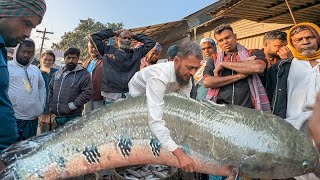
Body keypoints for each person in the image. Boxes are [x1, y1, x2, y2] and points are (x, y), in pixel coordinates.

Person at [128, 41, 203, 173]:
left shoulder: (186, 77)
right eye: (190, 67)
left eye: (196, 69)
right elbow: (155, 122)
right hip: (138, 93)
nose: (193, 73)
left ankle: (163, 149)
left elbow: (184, 108)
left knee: (168, 119)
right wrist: (180, 155)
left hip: (164, 90)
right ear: (176, 61)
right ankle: (143, 157)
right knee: (146, 124)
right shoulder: (158, 76)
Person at [266, 22, 320, 180]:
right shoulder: (283, 67)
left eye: (310, 37)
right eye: (299, 39)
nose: (305, 41)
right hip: (293, 131)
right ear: (292, 43)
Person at [203, 24, 269, 112]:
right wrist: (239, 76)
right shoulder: (214, 59)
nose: (225, 42)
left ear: (235, 36)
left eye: (227, 38)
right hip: (222, 111)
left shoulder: (253, 52)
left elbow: (258, 67)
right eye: (221, 40)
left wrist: (223, 64)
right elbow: (207, 82)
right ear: (218, 43)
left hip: (249, 110)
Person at [91, 29, 156, 105]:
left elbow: (151, 42)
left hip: (130, 94)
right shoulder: (107, 50)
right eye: (124, 38)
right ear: (117, 40)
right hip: (112, 95)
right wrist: (113, 33)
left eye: (129, 38)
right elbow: (94, 37)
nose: (127, 40)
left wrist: (134, 35)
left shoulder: (137, 53)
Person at [8, 38, 46, 140]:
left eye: (29, 52)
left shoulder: (35, 69)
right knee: (10, 151)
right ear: (17, 50)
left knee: (28, 151)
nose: (26, 55)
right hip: (13, 119)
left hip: (32, 121)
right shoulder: (7, 67)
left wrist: (41, 106)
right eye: (23, 51)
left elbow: (42, 87)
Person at [49, 48, 92, 128]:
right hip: (58, 117)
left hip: (73, 117)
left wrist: (72, 105)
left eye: (73, 58)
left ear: (78, 59)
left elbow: (87, 93)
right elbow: (51, 90)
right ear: (64, 59)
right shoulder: (57, 73)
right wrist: (52, 105)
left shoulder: (84, 75)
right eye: (68, 58)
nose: (71, 60)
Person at [38, 51, 58, 133]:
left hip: (55, 110)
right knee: (44, 133)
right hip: (42, 110)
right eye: (45, 59)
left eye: (50, 60)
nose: (47, 62)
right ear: (41, 60)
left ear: (53, 62)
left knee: (55, 134)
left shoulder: (58, 73)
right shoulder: (36, 72)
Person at [83, 40, 104, 114]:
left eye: (96, 47)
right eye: (91, 47)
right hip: (86, 96)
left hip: (98, 95)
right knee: (86, 116)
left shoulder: (105, 60)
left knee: (98, 116)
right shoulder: (85, 62)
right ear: (88, 49)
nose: (94, 49)